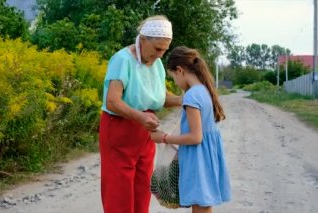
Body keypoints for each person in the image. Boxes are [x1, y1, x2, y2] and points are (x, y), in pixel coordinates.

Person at [99, 15, 181, 213]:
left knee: (142, 187)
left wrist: (184, 100)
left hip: (144, 132)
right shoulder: (122, 60)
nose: (160, 55)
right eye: (157, 49)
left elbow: (159, 97)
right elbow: (113, 100)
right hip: (119, 128)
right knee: (119, 189)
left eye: (164, 50)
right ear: (143, 39)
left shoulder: (156, 64)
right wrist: (140, 117)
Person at [151, 46, 231, 213]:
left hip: (198, 158)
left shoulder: (191, 96)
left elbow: (195, 137)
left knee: (199, 205)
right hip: (207, 156)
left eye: (173, 77)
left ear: (179, 70)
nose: (175, 82)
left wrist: (164, 138)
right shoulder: (204, 90)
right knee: (204, 204)